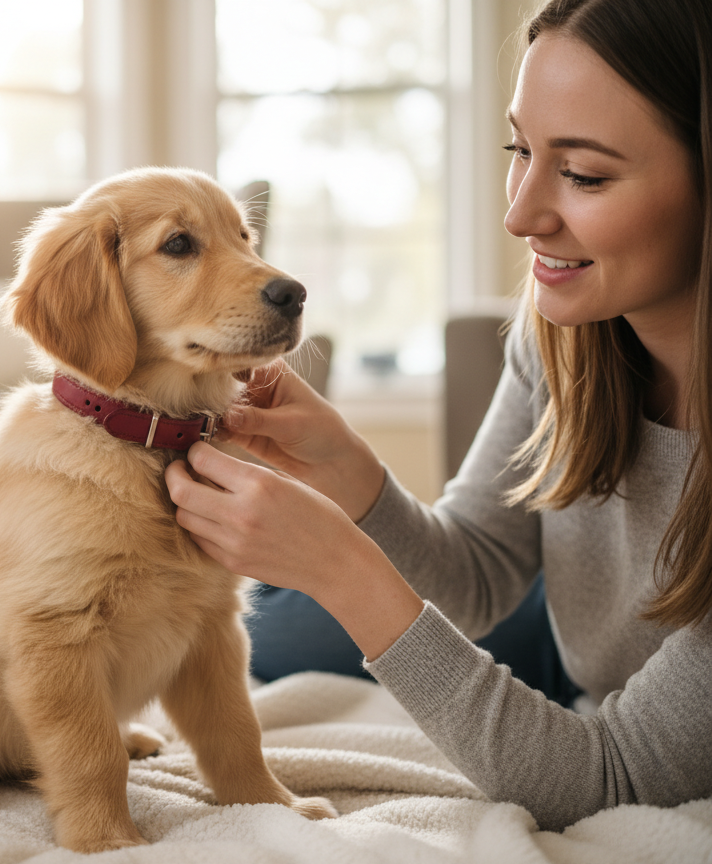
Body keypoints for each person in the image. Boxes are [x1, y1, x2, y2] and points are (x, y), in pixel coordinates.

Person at [165, 0, 712, 831]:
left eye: (585, 174)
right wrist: (351, 473)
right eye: (519, 150)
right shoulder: (565, 335)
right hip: (563, 636)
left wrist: (345, 571)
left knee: (302, 606)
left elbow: (613, 777)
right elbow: (481, 571)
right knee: (267, 628)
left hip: (601, 693)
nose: (520, 215)